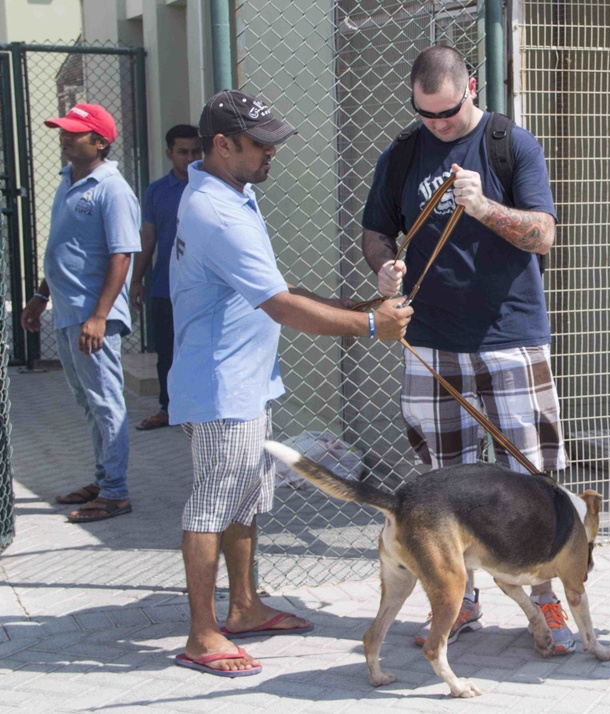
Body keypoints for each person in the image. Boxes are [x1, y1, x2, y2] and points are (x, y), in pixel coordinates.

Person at [169, 89, 413, 677]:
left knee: (243, 497)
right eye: (261, 145)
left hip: (243, 382)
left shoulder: (233, 192)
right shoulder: (218, 212)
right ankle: (203, 634)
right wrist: (371, 324)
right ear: (222, 145)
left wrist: (356, 307)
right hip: (222, 386)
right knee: (211, 504)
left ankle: (245, 606)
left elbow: (275, 290)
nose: (272, 154)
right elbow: (281, 306)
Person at [361, 45, 574, 653]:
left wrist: (482, 207)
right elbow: (377, 230)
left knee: (532, 477)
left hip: (510, 338)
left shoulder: (511, 144)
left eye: (448, 113)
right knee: (443, 481)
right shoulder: (402, 154)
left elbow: (544, 234)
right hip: (432, 342)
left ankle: (548, 601)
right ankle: (460, 599)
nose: (438, 125)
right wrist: (385, 267)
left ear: (471, 89)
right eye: (426, 114)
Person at [21, 103, 140, 523]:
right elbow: (63, 248)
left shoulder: (112, 189)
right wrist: (40, 296)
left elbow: (122, 255)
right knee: (89, 402)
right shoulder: (67, 181)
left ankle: (115, 493)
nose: (65, 137)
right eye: (63, 130)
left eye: (75, 132)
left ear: (100, 141)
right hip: (69, 312)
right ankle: (104, 477)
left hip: (93, 319)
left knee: (106, 403)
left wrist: (100, 316)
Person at [128, 124, 202, 431]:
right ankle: (168, 408)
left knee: (199, 349)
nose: (189, 158)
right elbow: (148, 238)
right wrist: (136, 280)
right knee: (167, 352)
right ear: (170, 153)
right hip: (164, 287)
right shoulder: (156, 191)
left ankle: (200, 411)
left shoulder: (208, 188)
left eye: (195, 151)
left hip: (200, 288)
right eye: (182, 152)